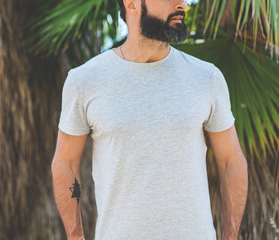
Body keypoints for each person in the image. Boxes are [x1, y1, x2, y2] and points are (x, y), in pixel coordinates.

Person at [51, 0, 248, 239]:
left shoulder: (207, 78)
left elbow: (231, 162)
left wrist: (230, 236)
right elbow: (65, 164)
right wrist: (75, 236)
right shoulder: (84, 81)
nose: (183, 5)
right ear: (132, 4)